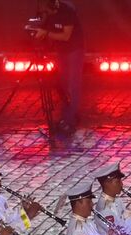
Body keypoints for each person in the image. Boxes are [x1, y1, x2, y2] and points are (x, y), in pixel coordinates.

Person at [29, 0, 84, 137]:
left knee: (73, 86)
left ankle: (69, 121)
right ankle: (68, 115)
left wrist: (46, 33)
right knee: (63, 85)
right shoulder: (49, 13)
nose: (48, 14)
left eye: (49, 12)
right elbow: (47, 28)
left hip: (74, 50)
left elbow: (66, 36)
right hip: (61, 51)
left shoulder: (67, 12)